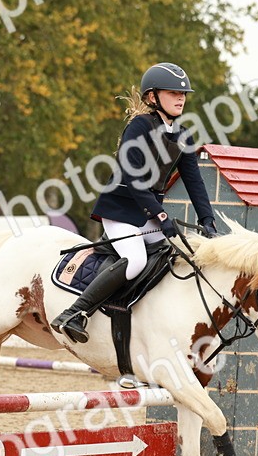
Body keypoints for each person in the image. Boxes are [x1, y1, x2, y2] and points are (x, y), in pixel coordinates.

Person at [50, 62, 219, 344]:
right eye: (173, 93)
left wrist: (208, 221)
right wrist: (161, 216)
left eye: (183, 94)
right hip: (120, 210)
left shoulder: (183, 135)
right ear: (152, 97)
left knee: (177, 257)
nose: (181, 98)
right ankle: (75, 313)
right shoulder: (139, 127)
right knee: (136, 260)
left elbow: (195, 183)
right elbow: (133, 178)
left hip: (148, 212)